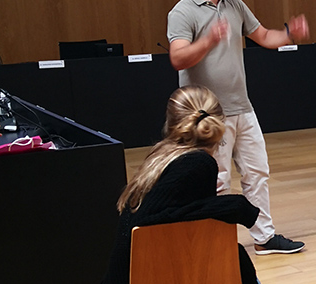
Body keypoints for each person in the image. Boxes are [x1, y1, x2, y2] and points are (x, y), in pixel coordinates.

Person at [167, 0, 308, 255]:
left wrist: (289, 32)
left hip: (243, 107)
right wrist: (209, 40)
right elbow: (177, 58)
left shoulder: (235, 4)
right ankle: (218, 242)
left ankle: (265, 237)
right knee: (216, 181)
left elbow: (265, 37)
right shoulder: (183, 11)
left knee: (257, 173)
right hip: (207, 115)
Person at [103, 85, 261, 284]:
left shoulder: (163, 154)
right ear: (221, 123)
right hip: (148, 271)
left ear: (170, 123)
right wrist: (231, 206)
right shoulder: (198, 163)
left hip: (127, 272)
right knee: (233, 255)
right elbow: (150, 222)